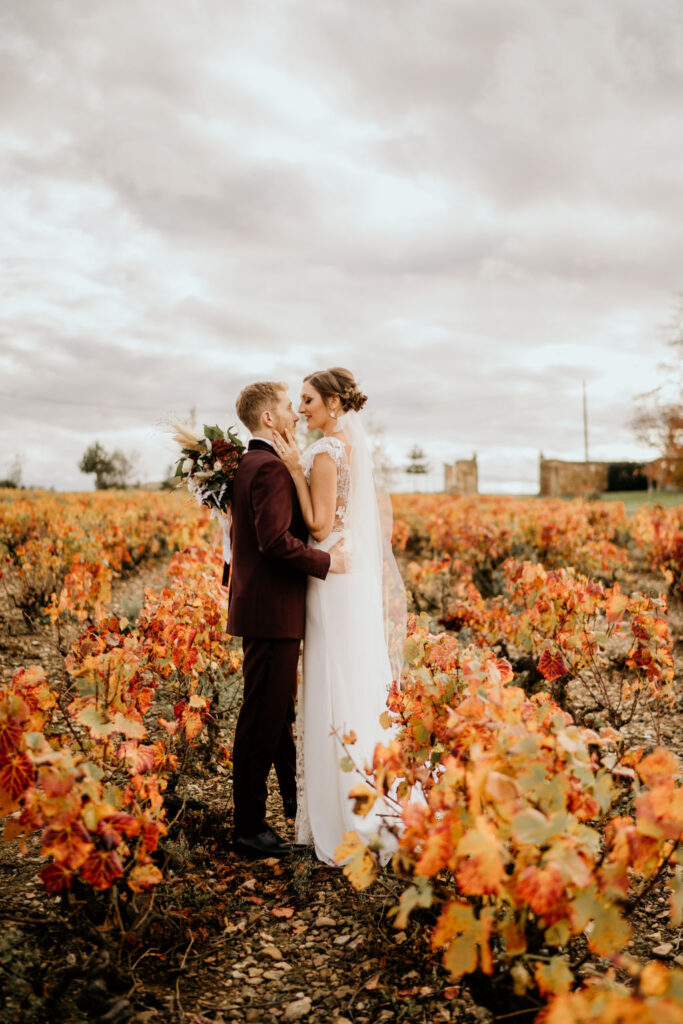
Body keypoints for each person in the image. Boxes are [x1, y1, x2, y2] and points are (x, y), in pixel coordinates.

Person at [272, 367, 406, 864]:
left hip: (331, 574)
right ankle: (358, 785)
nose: (301, 408)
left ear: (332, 403)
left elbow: (319, 524)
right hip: (344, 571)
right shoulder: (342, 444)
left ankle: (344, 809)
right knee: (348, 672)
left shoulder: (327, 451)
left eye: (308, 400)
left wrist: (293, 468)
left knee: (334, 675)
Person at [226, 381, 346, 858]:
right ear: (268, 419)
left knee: (276, 717)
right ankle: (249, 828)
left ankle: (294, 803)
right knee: (261, 718)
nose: (295, 414)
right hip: (272, 611)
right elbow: (274, 541)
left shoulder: (249, 463)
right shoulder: (271, 468)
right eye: (286, 408)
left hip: (262, 607)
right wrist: (327, 562)